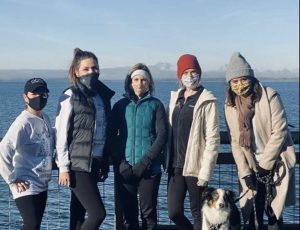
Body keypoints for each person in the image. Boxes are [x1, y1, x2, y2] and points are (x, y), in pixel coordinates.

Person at [224, 52, 296, 230]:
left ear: (251, 78)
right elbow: (235, 141)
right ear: (230, 84)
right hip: (251, 164)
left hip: (275, 162)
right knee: (252, 210)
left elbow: (279, 131)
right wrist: (245, 172)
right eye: (235, 81)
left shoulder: (270, 96)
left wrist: (265, 165)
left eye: (243, 79)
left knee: (272, 210)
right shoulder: (230, 105)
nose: (239, 84)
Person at [55, 48, 115, 230]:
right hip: (77, 165)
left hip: (95, 162)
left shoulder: (102, 97)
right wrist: (63, 167)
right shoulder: (70, 95)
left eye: (95, 68)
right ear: (76, 71)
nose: (92, 72)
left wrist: (104, 161)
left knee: (78, 214)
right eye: (86, 69)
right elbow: (61, 133)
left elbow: (104, 132)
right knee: (98, 213)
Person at [166, 54, 220, 230]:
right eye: (186, 72)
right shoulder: (176, 98)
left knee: (198, 213)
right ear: (179, 76)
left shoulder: (207, 100)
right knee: (174, 212)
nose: (190, 76)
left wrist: (205, 173)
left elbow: (213, 139)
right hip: (175, 165)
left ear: (200, 74)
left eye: (194, 72)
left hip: (196, 167)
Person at [111, 63, 168, 230]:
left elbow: (162, 136)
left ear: (149, 83)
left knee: (148, 214)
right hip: (126, 168)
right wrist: (121, 163)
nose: (139, 83)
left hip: (149, 170)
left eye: (144, 80)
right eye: (136, 79)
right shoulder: (120, 106)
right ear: (130, 82)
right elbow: (112, 136)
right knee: (129, 215)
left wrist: (145, 163)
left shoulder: (156, 105)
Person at [0, 78, 54, 230]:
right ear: (25, 97)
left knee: (34, 226)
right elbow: (4, 149)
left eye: (43, 93)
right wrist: (12, 179)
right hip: (25, 185)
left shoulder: (45, 118)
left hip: (42, 183)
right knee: (31, 225)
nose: (39, 97)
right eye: (34, 93)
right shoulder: (23, 122)